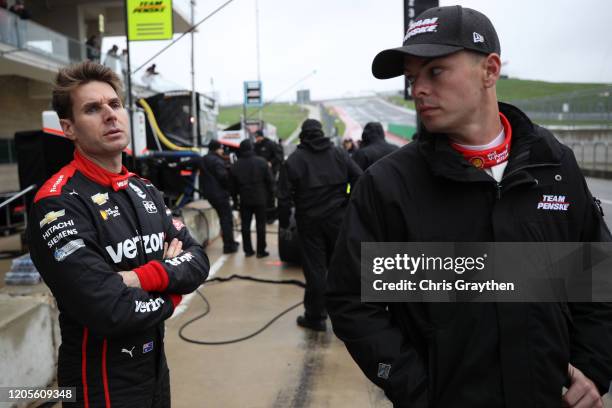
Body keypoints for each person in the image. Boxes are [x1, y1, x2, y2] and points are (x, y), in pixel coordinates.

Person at [327, 5, 612, 408]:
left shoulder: (554, 164)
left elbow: (597, 274)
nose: (418, 90)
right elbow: (352, 303)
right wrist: (417, 391)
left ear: (490, 71)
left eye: (435, 71)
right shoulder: (389, 185)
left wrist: (595, 367)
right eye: (412, 78)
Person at [28, 61, 210, 407]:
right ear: (69, 128)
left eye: (114, 104)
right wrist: (173, 293)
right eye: (92, 109)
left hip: (155, 369)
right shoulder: (57, 203)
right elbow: (112, 309)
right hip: (99, 385)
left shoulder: (146, 190)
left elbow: (198, 260)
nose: (110, 115)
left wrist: (136, 278)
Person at [278, 119, 362, 331]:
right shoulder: (339, 153)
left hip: (310, 223)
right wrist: (348, 202)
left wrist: (285, 224)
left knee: (316, 270)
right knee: (344, 267)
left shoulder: (294, 161)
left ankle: (315, 317)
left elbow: (284, 198)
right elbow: (359, 177)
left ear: (303, 137)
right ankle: (350, 315)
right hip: (338, 220)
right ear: (321, 133)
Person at [230, 139, 274, 258]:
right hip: (260, 198)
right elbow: (270, 182)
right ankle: (261, 250)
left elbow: (232, 187)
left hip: (245, 199)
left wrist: (235, 201)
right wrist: (271, 199)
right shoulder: (262, 162)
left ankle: (248, 250)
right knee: (261, 225)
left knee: (245, 226)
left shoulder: (236, 165)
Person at [198, 140, 239, 254]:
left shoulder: (204, 159)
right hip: (220, 194)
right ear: (217, 149)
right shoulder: (217, 161)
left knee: (223, 217)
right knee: (227, 218)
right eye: (221, 148)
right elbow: (223, 177)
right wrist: (230, 188)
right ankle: (229, 245)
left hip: (209, 194)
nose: (222, 151)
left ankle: (229, 242)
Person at [254, 129, 284, 223]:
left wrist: (271, 163)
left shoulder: (270, 144)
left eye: (258, 137)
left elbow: (278, 157)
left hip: (270, 173)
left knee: (270, 193)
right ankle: (263, 215)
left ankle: (270, 217)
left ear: (261, 136)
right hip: (259, 174)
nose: (257, 139)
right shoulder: (256, 146)